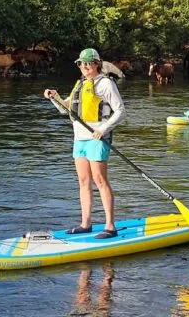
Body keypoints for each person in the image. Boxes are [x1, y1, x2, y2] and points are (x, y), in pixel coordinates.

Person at [44, 48, 126, 239]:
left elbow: (121, 111)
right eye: (82, 64)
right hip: (79, 139)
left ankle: (110, 226)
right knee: (83, 181)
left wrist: (103, 130)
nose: (85, 67)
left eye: (89, 63)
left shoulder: (106, 84)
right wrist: (55, 99)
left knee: (100, 180)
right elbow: (67, 110)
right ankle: (85, 223)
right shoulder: (79, 84)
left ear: (97, 64)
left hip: (97, 138)